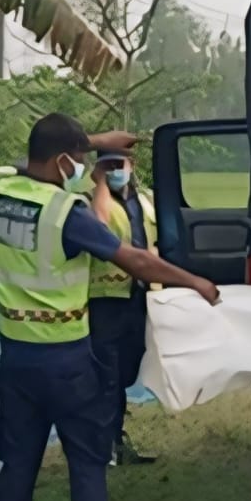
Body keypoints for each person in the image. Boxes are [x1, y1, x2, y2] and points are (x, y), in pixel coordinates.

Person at [0, 114, 219, 501]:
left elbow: (31, 157)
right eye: (79, 159)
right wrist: (194, 281)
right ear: (63, 161)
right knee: (87, 460)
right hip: (67, 358)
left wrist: (92, 141)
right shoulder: (65, 214)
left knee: (19, 462)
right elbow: (131, 257)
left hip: (15, 356)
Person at [88, 151, 158, 466]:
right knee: (108, 376)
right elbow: (99, 227)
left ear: (133, 165)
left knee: (127, 370)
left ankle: (113, 441)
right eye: (108, 166)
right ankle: (107, 445)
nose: (117, 171)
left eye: (121, 165)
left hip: (139, 296)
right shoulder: (91, 203)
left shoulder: (145, 201)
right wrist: (100, 181)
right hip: (105, 299)